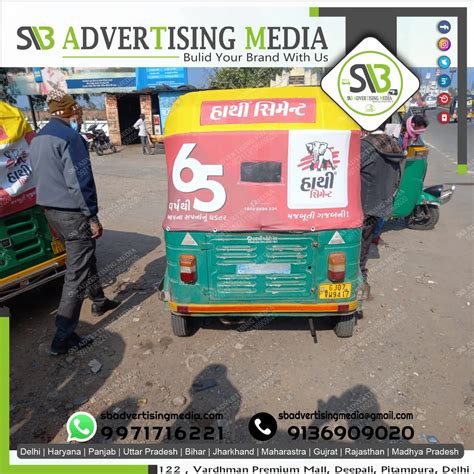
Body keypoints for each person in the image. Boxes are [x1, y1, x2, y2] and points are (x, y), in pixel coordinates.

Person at [29, 90, 120, 356]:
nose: (79, 115)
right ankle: (62, 338)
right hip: (73, 213)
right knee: (75, 275)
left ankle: (99, 301)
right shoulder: (70, 138)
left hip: (50, 212)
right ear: (72, 111)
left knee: (83, 257)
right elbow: (79, 183)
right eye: (77, 111)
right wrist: (91, 215)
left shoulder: (38, 138)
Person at [359, 120, 405, 297]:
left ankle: (354, 284)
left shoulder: (365, 146)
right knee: (365, 244)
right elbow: (398, 178)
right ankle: (362, 279)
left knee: (351, 246)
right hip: (379, 205)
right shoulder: (394, 146)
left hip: (361, 205)